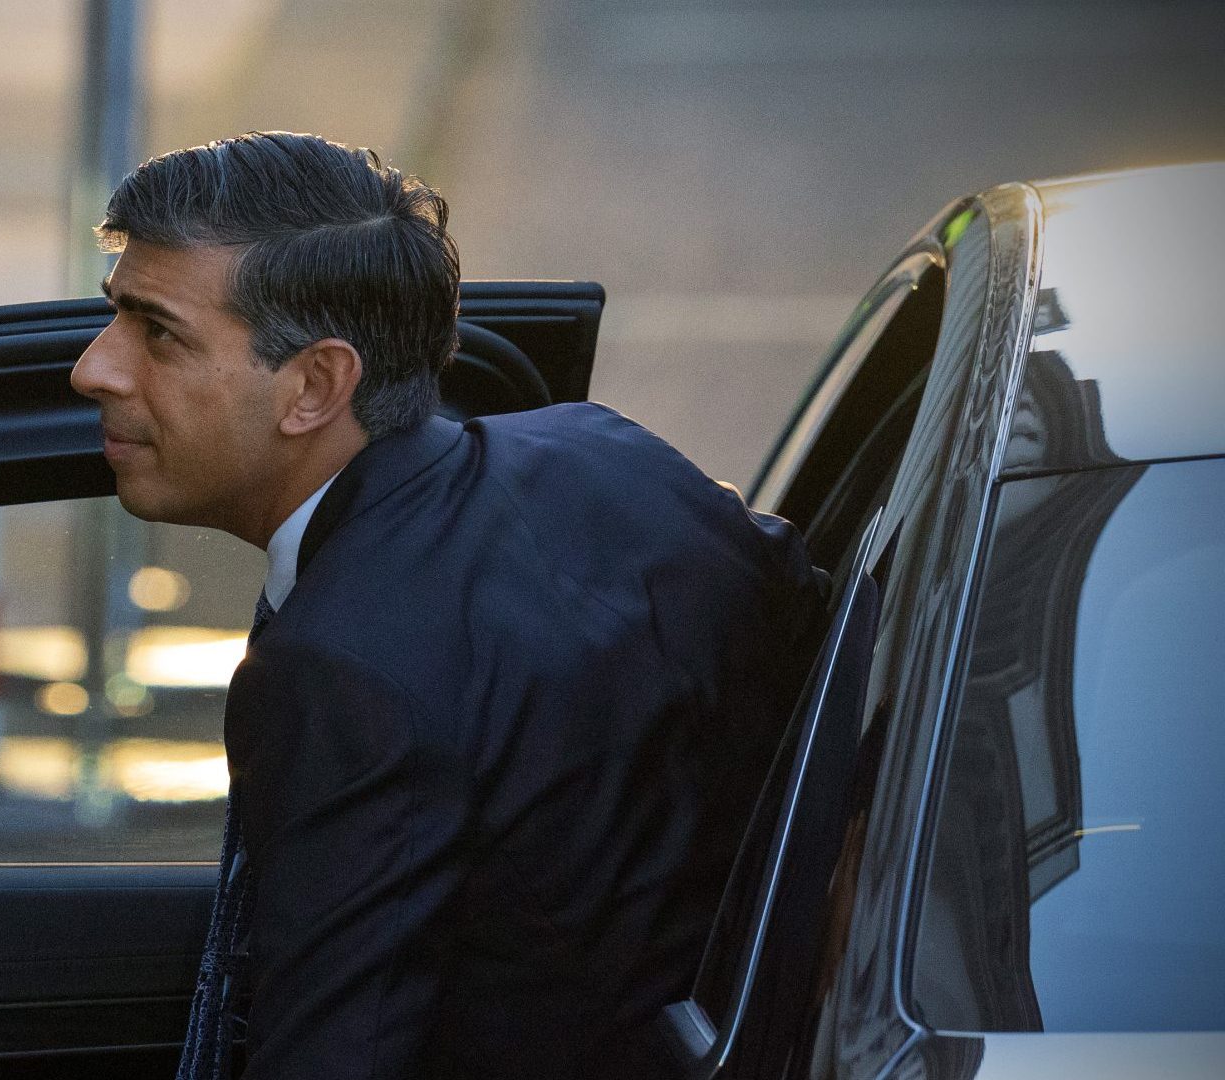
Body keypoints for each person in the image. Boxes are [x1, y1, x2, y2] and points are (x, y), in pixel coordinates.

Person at [69, 131, 826, 1079]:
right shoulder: (608, 454)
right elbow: (833, 664)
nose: (95, 369)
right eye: (114, 319)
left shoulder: (338, 672)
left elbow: (335, 1051)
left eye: (158, 333)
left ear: (315, 385)